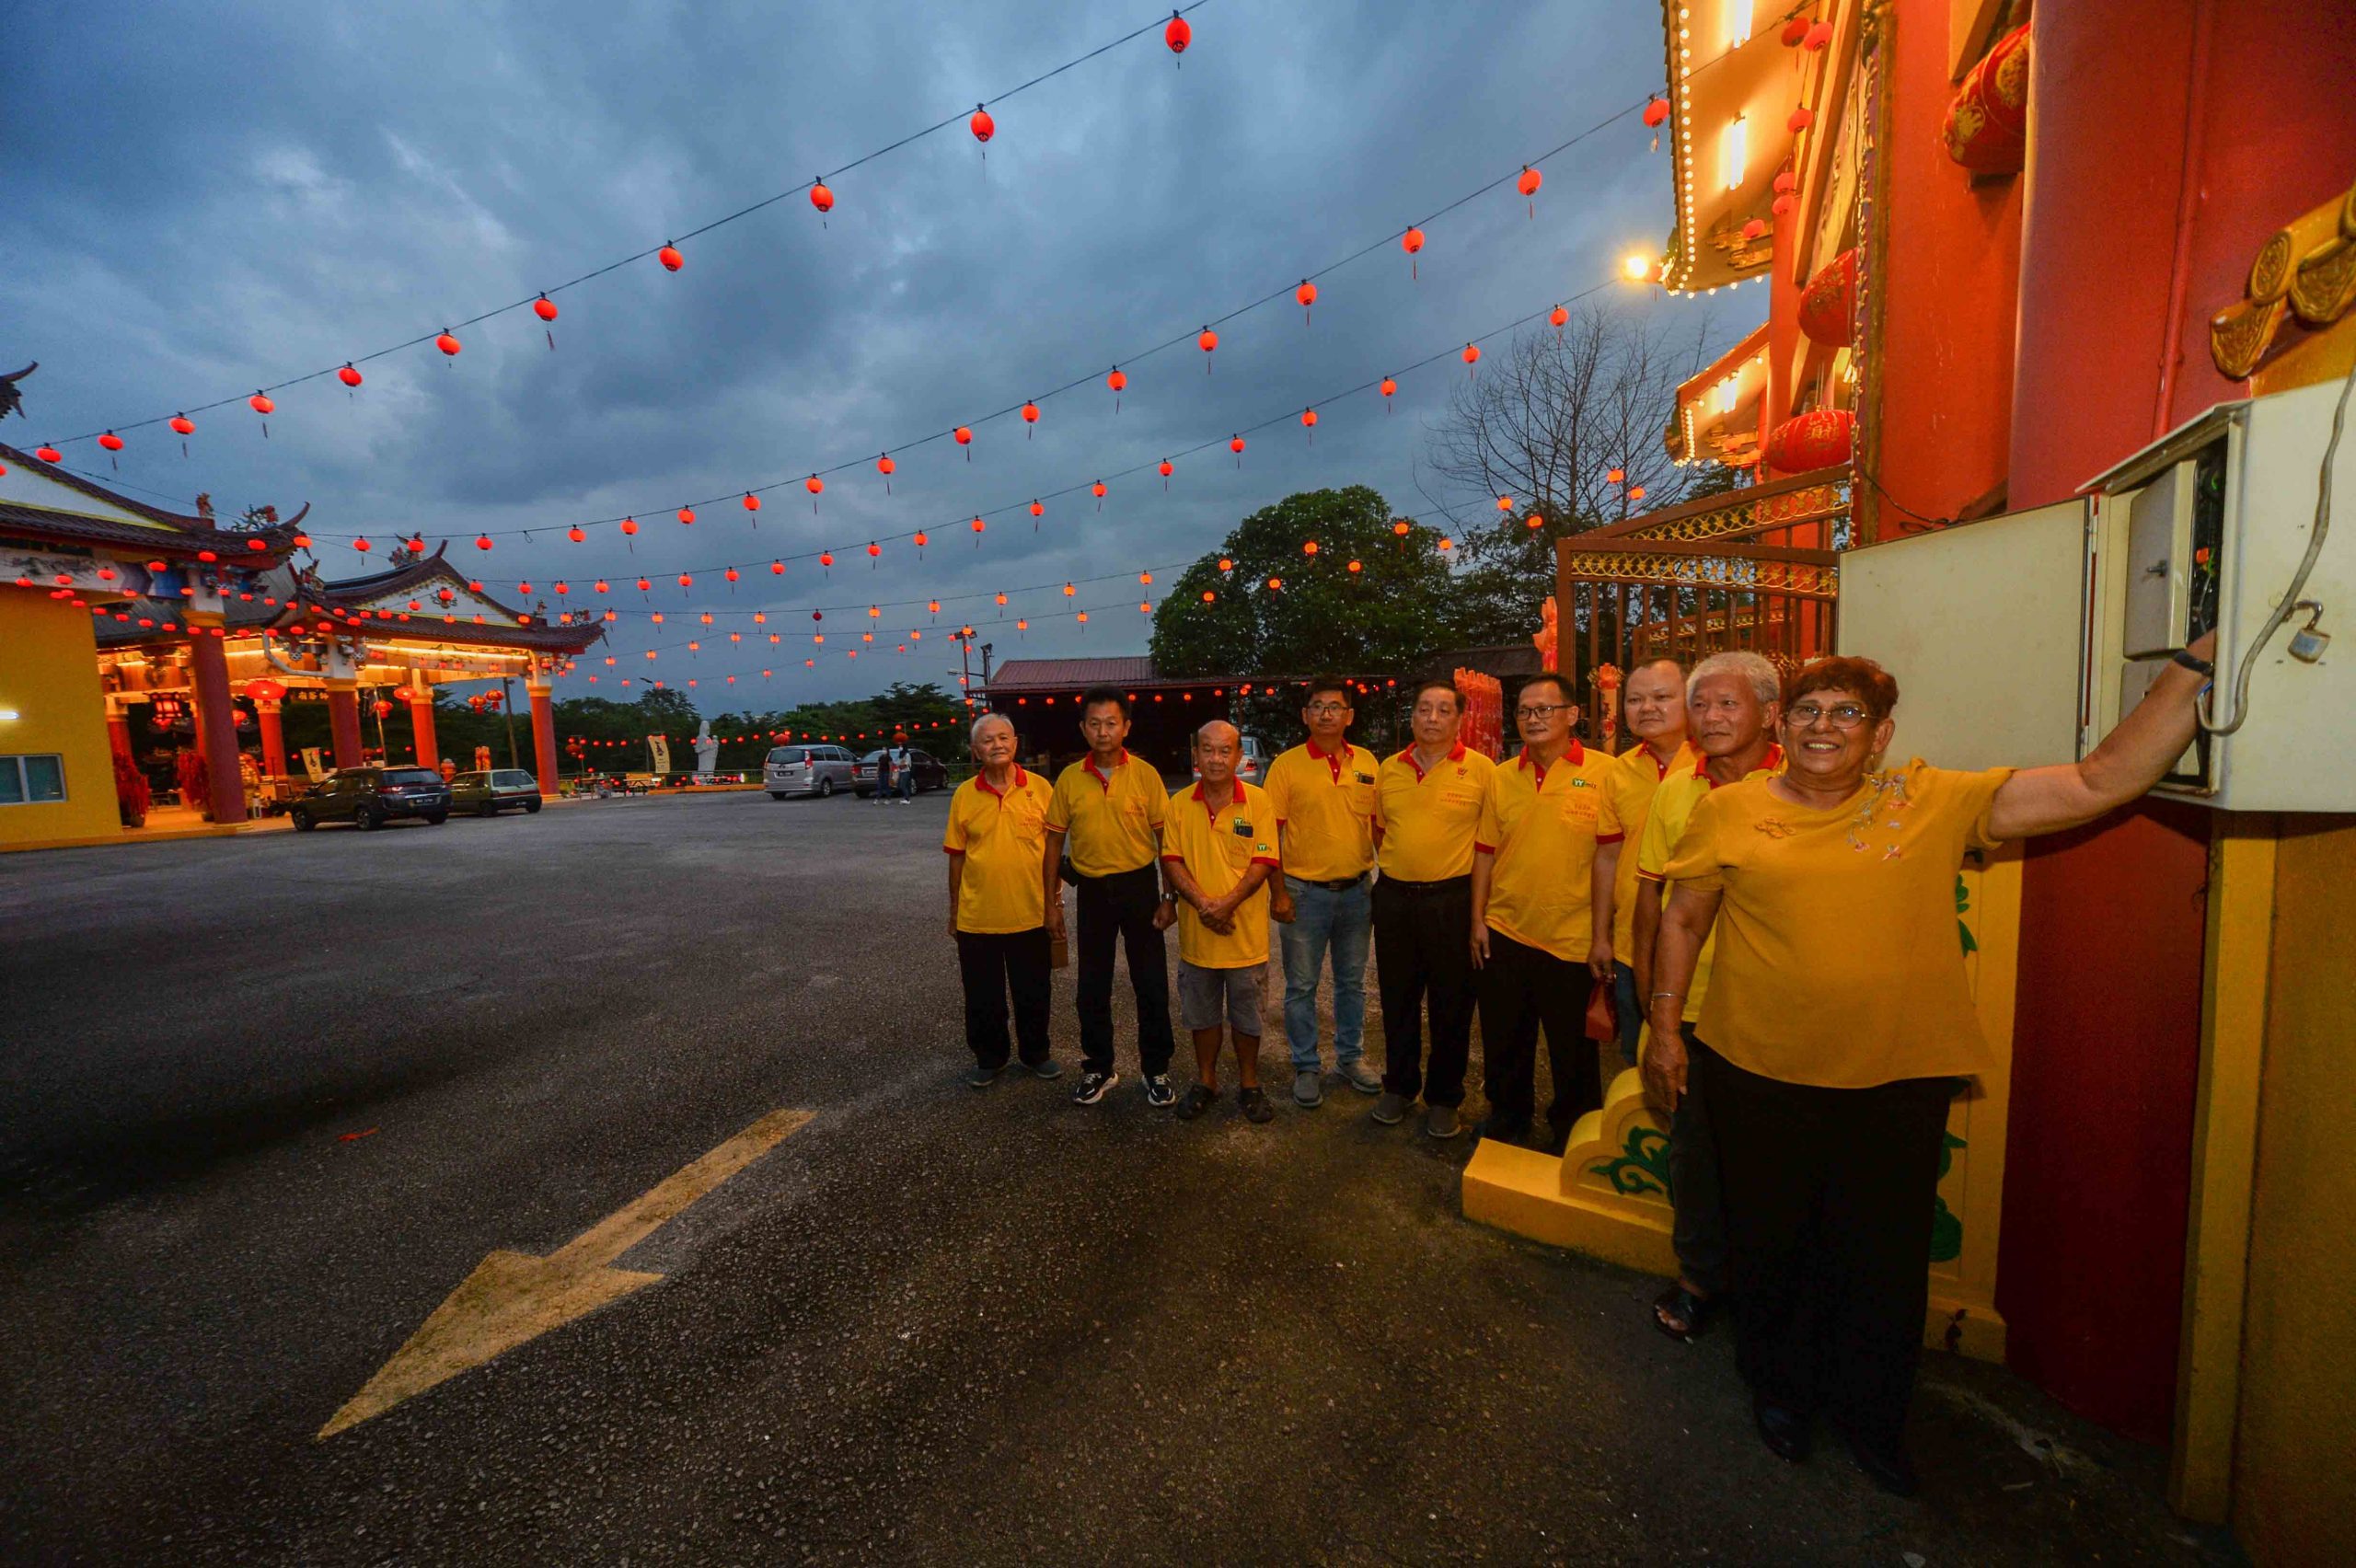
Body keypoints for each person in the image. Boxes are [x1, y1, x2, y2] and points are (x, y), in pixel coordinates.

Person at [1648, 635, 2219, 1496]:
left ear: (1879, 735)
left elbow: (2103, 779)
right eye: (1806, 709)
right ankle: (1782, 1397)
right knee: (1771, 1248)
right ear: (1782, 724)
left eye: (1847, 712)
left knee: (1879, 1258)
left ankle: (1872, 1417)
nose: (1823, 724)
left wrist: (2196, 668)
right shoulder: (1727, 810)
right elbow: (1684, 919)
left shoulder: (1930, 801)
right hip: (1755, 1072)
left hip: (1894, 1082)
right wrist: (1662, 1026)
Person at [1629, 651, 1783, 1345]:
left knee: (1777, 1161)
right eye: (1703, 705)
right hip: (1691, 1009)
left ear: (1769, 713)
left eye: (1729, 704)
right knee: (1696, 1155)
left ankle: (1772, 1295)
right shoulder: (1678, 788)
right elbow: (1654, 902)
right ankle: (1698, 1281)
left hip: (1780, 1008)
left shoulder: (1807, 781)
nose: (1712, 718)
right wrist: (1650, 1008)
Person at [1468, 673, 1622, 1149]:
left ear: (1572, 715)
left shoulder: (1603, 773)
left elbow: (1609, 857)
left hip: (1571, 934)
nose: (1533, 719)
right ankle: (1508, 1115)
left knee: (1572, 1048)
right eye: (1525, 711)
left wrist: (1602, 935)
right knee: (1504, 1038)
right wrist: (1477, 919)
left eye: (1545, 710)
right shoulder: (1500, 775)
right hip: (1505, 928)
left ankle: (1573, 1130)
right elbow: (1485, 851)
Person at [1369, 678, 1496, 1140]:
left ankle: (1445, 1097)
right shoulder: (1389, 769)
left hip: (1453, 900)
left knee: (1452, 1002)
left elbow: (1489, 846)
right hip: (1395, 899)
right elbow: (1381, 832)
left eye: (1444, 710)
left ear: (1459, 719)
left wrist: (1478, 913)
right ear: (1412, 716)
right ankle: (1399, 1087)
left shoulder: (1483, 771)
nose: (1432, 719)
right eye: (1424, 709)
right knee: (1397, 998)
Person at [1044, 688, 1178, 1108]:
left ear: (1126, 727)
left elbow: (1166, 842)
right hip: (1094, 893)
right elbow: (1052, 846)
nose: (1103, 731)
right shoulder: (1068, 779)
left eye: (1111, 723)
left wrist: (1169, 895)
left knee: (1151, 982)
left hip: (1140, 887)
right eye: (1095, 724)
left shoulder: (1146, 775)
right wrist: (1051, 901)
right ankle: (1099, 1068)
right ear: (1083, 728)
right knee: (1092, 986)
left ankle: (1156, 1069)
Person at [1263, 677, 1382, 1108]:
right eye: (1318, 706)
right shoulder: (1287, 766)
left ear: (1349, 715)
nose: (1327, 714)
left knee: (1352, 984)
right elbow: (1268, 835)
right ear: (1305, 715)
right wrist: (1278, 892)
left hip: (1356, 891)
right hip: (1303, 892)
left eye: (1335, 707)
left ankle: (1350, 1058)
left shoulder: (1368, 762)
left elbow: (1379, 828)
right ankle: (1306, 1064)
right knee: (1301, 986)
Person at [1158, 721, 1280, 1124]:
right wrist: (1205, 905)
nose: (1215, 758)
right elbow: (1171, 859)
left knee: (1247, 1016)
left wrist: (1226, 904)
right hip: (1199, 939)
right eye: (1207, 750)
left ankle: (1249, 1084)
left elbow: (1264, 859)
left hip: (1245, 938)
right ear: (1196, 756)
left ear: (1238, 757)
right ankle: (1206, 1081)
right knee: (1203, 1015)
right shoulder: (1179, 805)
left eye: (1224, 750)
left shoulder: (1259, 803)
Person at [942, 713, 1062, 1088]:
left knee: (1034, 991)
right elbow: (957, 855)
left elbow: (1053, 853)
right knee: (982, 996)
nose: (997, 745)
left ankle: (1035, 1054)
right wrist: (954, 909)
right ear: (976, 750)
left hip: (1031, 912)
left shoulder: (1041, 789)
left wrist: (1054, 904)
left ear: (1015, 744)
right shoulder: (964, 795)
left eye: (1003, 738)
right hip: (978, 916)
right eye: (987, 740)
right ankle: (989, 1058)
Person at [1600, 659, 1693, 1067]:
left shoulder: (1720, 762)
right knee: (1638, 1060)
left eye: (1662, 697)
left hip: (1703, 944)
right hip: (1632, 944)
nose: (1646, 708)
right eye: (1635, 700)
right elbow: (1607, 857)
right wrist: (1600, 935)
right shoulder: (1618, 771)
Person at [893, 732, 917, 803]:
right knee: (900, 785)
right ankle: (905, 798)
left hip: (906, 772)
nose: (900, 747)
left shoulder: (907, 755)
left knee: (903, 785)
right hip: (901, 772)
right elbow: (896, 762)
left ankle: (907, 799)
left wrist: (900, 765)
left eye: (901, 746)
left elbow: (906, 764)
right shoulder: (900, 755)